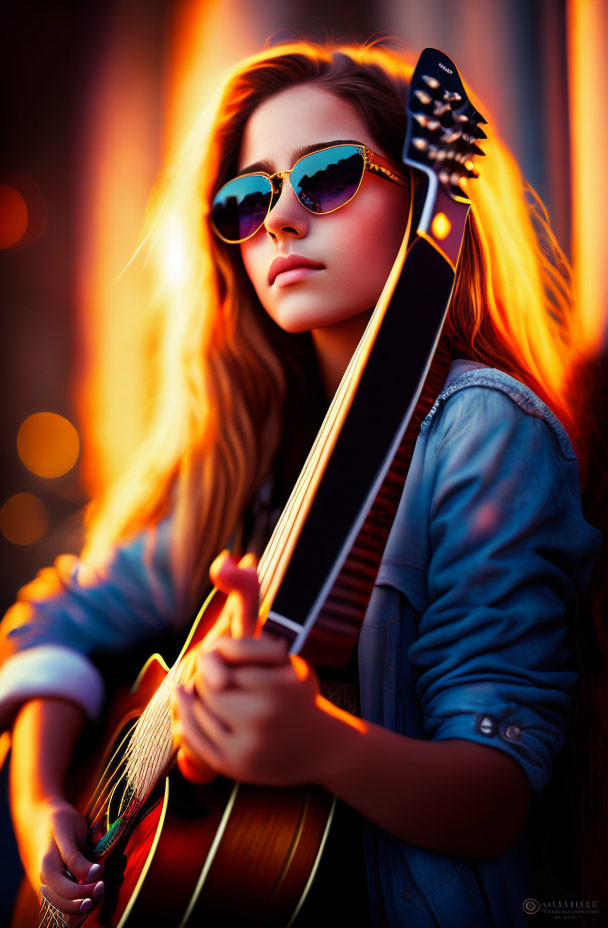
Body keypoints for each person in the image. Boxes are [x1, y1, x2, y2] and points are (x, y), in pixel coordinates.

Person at [0, 40, 601, 928]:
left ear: (423, 199)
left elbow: (494, 797)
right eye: (246, 199)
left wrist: (319, 743)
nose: (279, 218)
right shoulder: (244, 452)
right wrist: (42, 805)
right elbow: (53, 622)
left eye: (325, 177)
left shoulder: (483, 430)